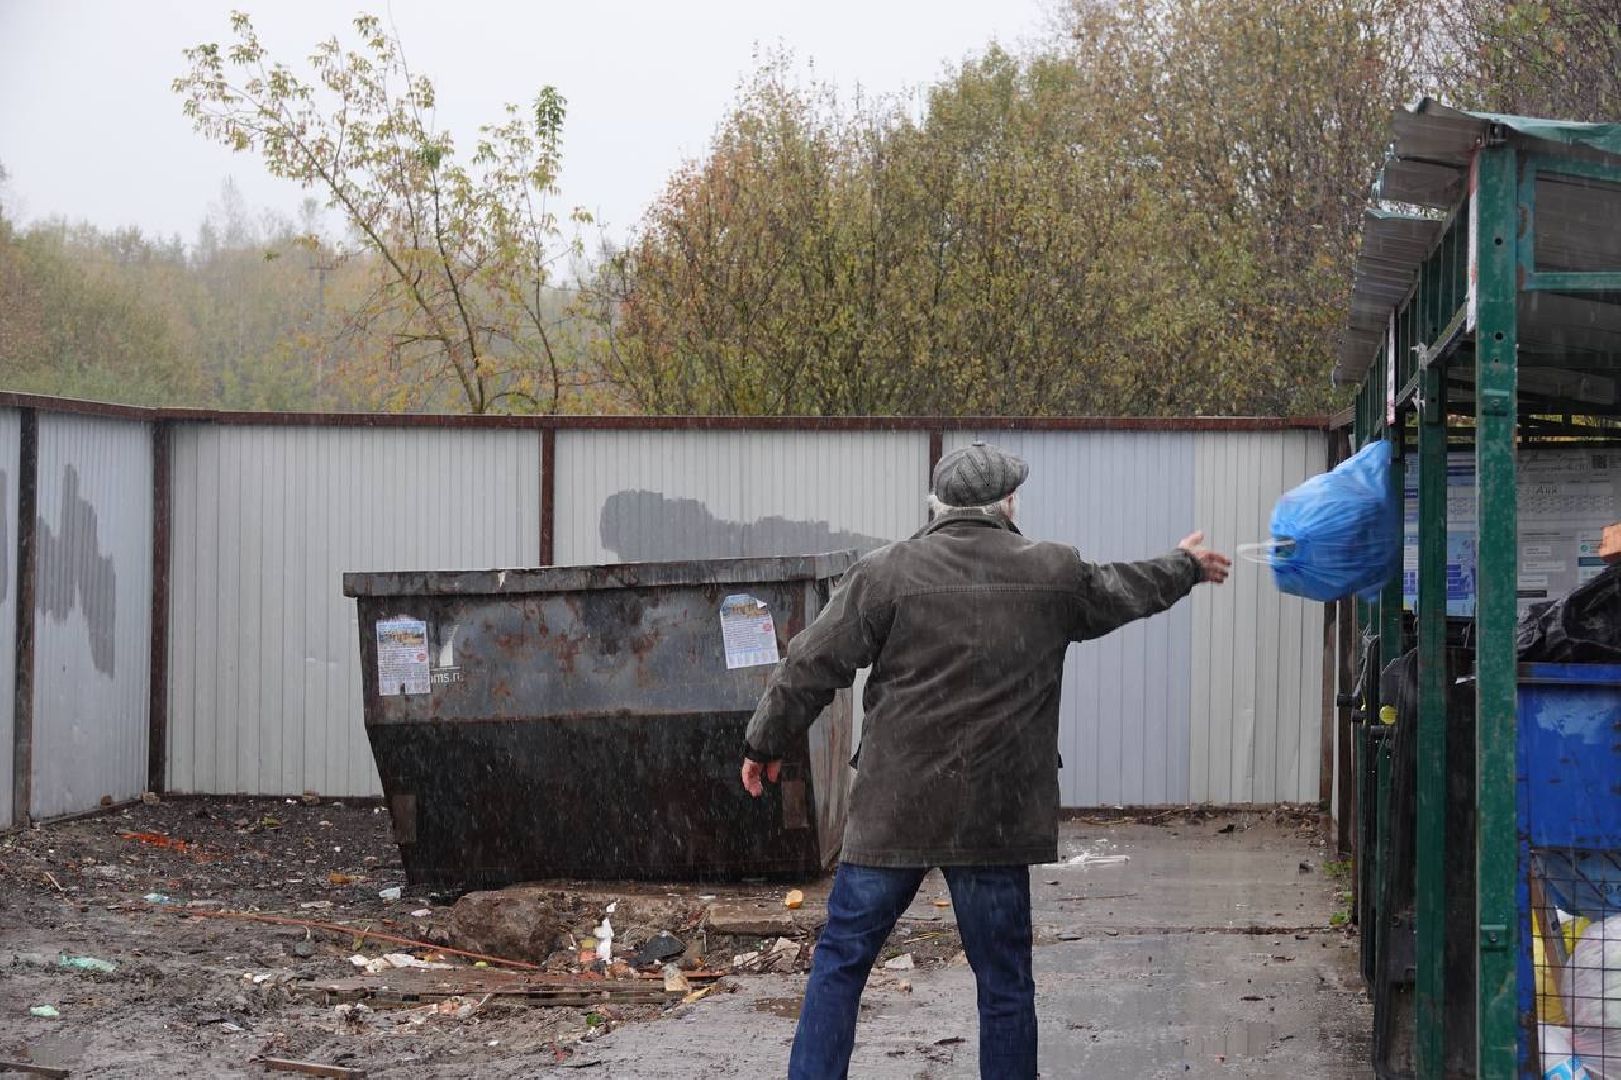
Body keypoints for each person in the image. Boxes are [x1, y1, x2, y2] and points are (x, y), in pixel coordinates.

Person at [739, 440, 1232, 1079]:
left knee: (842, 962)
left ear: (938, 505)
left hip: (897, 808)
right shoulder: (1051, 572)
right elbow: (1124, 588)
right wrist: (1184, 566)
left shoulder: (886, 574)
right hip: (994, 815)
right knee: (1003, 982)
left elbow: (810, 662)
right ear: (1006, 503)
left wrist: (764, 743)